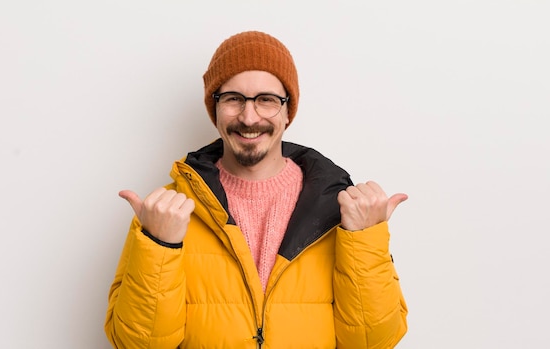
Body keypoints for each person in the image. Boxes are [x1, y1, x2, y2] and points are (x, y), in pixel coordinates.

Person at [104, 30, 408, 349]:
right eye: (234, 99)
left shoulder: (341, 210)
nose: (249, 117)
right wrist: (159, 244)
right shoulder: (165, 213)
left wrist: (363, 241)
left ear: (288, 110)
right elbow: (136, 345)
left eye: (266, 100)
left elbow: (372, 343)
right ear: (215, 108)